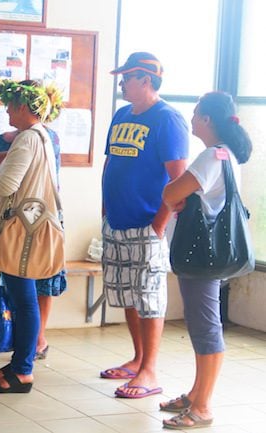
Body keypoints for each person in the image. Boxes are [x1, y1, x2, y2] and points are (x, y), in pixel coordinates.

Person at [160, 92, 252, 429]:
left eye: (197, 113)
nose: (193, 117)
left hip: (201, 258)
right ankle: (195, 395)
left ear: (208, 120)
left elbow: (171, 193)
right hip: (211, 255)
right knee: (203, 325)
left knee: (205, 328)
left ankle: (202, 407)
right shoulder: (227, 156)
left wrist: (175, 198)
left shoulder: (211, 157)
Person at [100, 52, 189, 398]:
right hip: (117, 222)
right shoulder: (122, 114)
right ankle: (137, 359)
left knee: (150, 297)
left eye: (127, 78)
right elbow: (110, 163)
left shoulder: (168, 119)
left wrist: (158, 225)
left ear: (146, 81)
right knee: (128, 294)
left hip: (146, 224)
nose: (121, 83)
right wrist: (105, 210)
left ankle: (150, 371)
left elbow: (178, 182)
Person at [0, 79, 63, 393]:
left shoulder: (28, 138)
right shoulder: (42, 135)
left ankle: (24, 369)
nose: (6, 111)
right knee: (23, 299)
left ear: (26, 107)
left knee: (24, 301)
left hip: (22, 231)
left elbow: (6, 186)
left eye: (11, 105)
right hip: (30, 225)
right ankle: (19, 363)